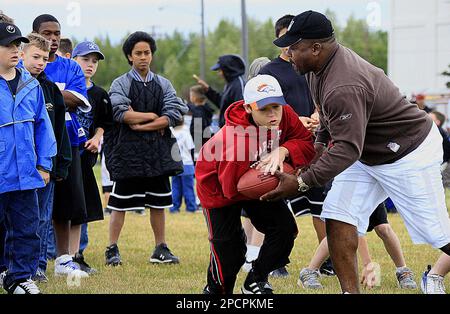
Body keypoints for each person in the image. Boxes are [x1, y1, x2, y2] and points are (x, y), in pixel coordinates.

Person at [261, 10, 450, 294]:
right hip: (368, 152)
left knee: (439, 234)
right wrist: (312, 157)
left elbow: (348, 149)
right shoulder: (316, 68)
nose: (288, 53)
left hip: (409, 151)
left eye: (294, 47)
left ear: (315, 48)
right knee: (338, 216)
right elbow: (326, 124)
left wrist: (302, 182)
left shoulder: (343, 84)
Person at [195, 74, 315, 294]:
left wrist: (283, 150)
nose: (273, 114)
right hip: (218, 187)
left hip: (254, 176)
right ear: (249, 108)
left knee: (285, 230)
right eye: (264, 109)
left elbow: (306, 142)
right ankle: (215, 292)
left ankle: (255, 280)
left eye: (276, 106)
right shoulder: (236, 139)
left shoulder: (285, 114)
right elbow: (233, 189)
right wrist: (266, 179)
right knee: (229, 252)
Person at [103, 31, 187, 266]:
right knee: (119, 203)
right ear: (129, 56)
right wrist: (151, 116)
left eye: (147, 52)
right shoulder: (120, 83)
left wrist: (141, 124)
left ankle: (160, 248)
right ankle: (112, 249)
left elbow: (173, 113)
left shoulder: (163, 83)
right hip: (127, 153)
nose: (143, 57)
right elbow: (120, 113)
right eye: (138, 53)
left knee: (159, 203)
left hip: (158, 153)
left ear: (152, 55)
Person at [33, 14, 92, 278]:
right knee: (35, 203)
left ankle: (63, 259)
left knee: (66, 203)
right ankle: (33, 260)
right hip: (36, 142)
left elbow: (78, 98)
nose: (53, 39)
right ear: (35, 34)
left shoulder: (72, 67)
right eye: (47, 33)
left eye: (57, 33)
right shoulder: (31, 65)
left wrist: (51, 93)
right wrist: (60, 95)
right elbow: (47, 99)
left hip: (68, 141)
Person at [0, 22, 56, 294]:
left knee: (27, 229)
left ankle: (20, 278)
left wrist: (44, 164)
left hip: (26, 175)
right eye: (8, 45)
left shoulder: (31, 85)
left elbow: (43, 127)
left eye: (17, 45)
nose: (15, 50)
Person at [20, 33, 72, 283]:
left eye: (44, 59)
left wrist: (59, 164)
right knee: (19, 218)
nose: (40, 63)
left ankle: (38, 266)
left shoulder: (50, 89)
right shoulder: (12, 85)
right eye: (36, 57)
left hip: (45, 166)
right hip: (17, 165)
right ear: (22, 55)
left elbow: (59, 131)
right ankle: (14, 266)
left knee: (41, 217)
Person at [299, 203, 417, 290]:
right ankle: (309, 272)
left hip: (373, 181)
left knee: (383, 228)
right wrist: (368, 264)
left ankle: (403, 271)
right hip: (349, 183)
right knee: (339, 232)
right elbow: (356, 231)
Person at [73, 41, 114, 273]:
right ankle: (53, 254)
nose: (90, 65)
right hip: (63, 156)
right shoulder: (65, 89)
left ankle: (78, 253)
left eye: (94, 61)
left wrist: (98, 136)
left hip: (86, 159)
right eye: (85, 59)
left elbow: (103, 123)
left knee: (83, 204)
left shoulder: (99, 94)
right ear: (73, 60)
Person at [194, 54, 245, 128]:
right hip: (227, 130)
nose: (219, 74)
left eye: (220, 71)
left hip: (235, 132)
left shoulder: (238, 84)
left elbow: (241, 111)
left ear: (228, 70)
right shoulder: (230, 84)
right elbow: (222, 103)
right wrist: (208, 90)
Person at [170, 117, 197, 213]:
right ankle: (191, 208)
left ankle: (174, 208)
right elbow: (190, 147)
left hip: (174, 164)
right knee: (188, 188)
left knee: (175, 187)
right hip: (187, 164)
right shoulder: (186, 133)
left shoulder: (171, 132)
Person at [188, 85, 214, 155]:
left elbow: (198, 132)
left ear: (194, 97)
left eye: (191, 95)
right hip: (207, 143)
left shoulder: (198, 112)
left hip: (200, 146)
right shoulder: (206, 109)